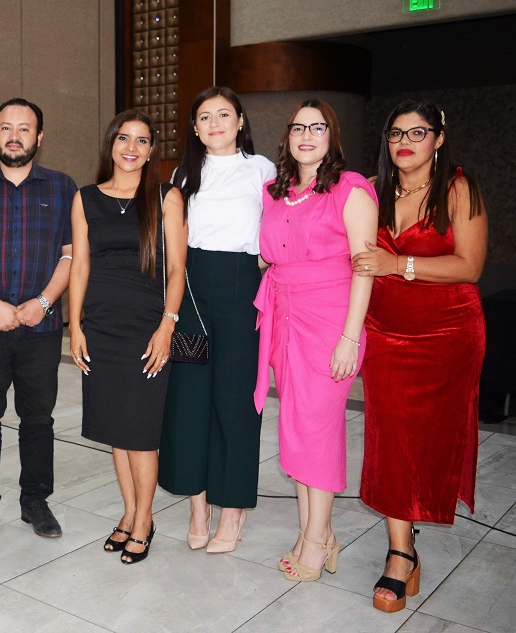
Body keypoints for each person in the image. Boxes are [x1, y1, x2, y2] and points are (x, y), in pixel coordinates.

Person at [352, 100, 487, 612]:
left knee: (430, 442)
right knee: (390, 440)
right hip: (385, 332)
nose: (404, 142)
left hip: (449, 333)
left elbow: (470, 266)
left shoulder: (458, 187)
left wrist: (397, 263)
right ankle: (400, 552)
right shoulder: (372, 188)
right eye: (395, 134)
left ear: (439, 137)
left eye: (417, 132)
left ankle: (410, 539)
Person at [253, 99, 378, 582]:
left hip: (331, 320)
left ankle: (317, 537)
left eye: (318, 127)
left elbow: (365, 267)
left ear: (333, 135)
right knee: (297, 427)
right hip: (285, 314)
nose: (307, 135)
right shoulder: (275, 191)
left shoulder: (352, 188)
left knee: (319, 428)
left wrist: (351, 337)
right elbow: (268, 253)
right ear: (286, 136)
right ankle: (314, 530)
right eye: (299, 127)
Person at [158, 86, 276, 553]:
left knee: (235, 399)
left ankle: (233, 511)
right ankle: (198, 506)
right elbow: (175, 246)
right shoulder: (184, 173)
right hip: (192, 292)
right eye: (204, 117)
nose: (215, 124)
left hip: (241, 288)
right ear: (194, 128)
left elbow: (276, 229)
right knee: (191, 398)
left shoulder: (262, 169)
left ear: (241, 120)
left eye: (223, 115)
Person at [69, 109, 187, 564]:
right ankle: (129, 512)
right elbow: (80, 266)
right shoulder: (85, 198)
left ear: (151, 150)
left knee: (141, 433)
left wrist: (167, 325)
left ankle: (144, 520)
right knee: (116, 431)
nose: (131, 148)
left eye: (141, 141)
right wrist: (74, 325)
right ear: (111, 144)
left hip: (146, 327)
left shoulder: (165, 197)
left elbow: (177, 269)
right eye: (123, 138)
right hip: (100, 326)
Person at [0, 98, 77, 541]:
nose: (14, 135)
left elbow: (71, 255)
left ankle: (36, 501)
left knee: (38, 418)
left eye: (24, 128)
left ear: (39, 137)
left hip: (41, 327)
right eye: (6, 127)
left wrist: (44, 302)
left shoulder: (64, 188)